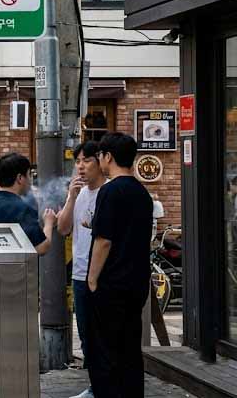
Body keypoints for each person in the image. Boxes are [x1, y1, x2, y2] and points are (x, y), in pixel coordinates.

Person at [86, 132, 152, 396]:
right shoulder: (142, 192)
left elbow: (104, 241)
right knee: (130, 349)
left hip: (111, 283)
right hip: (136, 282)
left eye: (100, 155)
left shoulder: (110, 190)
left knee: (105, 351)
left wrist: (92, 279)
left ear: (108, 157)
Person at [55, 141, 104, 398]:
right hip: (80, 274)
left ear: (102, 161)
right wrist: (71, 197)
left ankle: (105, 387)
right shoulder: (80, 193)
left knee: (102, 336)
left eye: (87, 160)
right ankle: (96, 387)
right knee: (86, 337)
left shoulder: (107, 192)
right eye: (78, 161)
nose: (81, 167)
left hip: (101, 276)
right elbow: (63, 229)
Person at [0, 153, 56, 255]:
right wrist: (49, 222)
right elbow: (41, 248)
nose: (30, 180)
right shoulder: (23, 209)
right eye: (28, 175)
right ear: (19, 178)